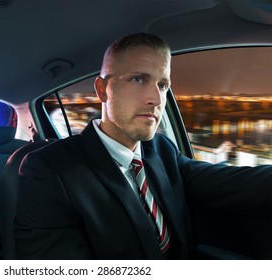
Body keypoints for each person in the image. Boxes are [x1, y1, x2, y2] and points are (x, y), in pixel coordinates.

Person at [14, 32, 272, 259]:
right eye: (138, 79)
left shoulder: (161, 150)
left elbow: (226, 181)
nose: (156, 99)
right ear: (102, 90)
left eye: (163, 85)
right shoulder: (48, 170)